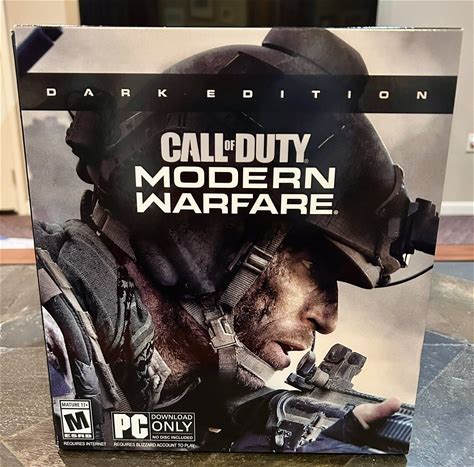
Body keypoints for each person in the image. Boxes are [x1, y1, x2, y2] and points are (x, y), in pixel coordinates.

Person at [33, 28, 437, 452]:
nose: (328, 319)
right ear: (205, 238)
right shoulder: (49, 335)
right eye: (314, 268)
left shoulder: (152, 372)